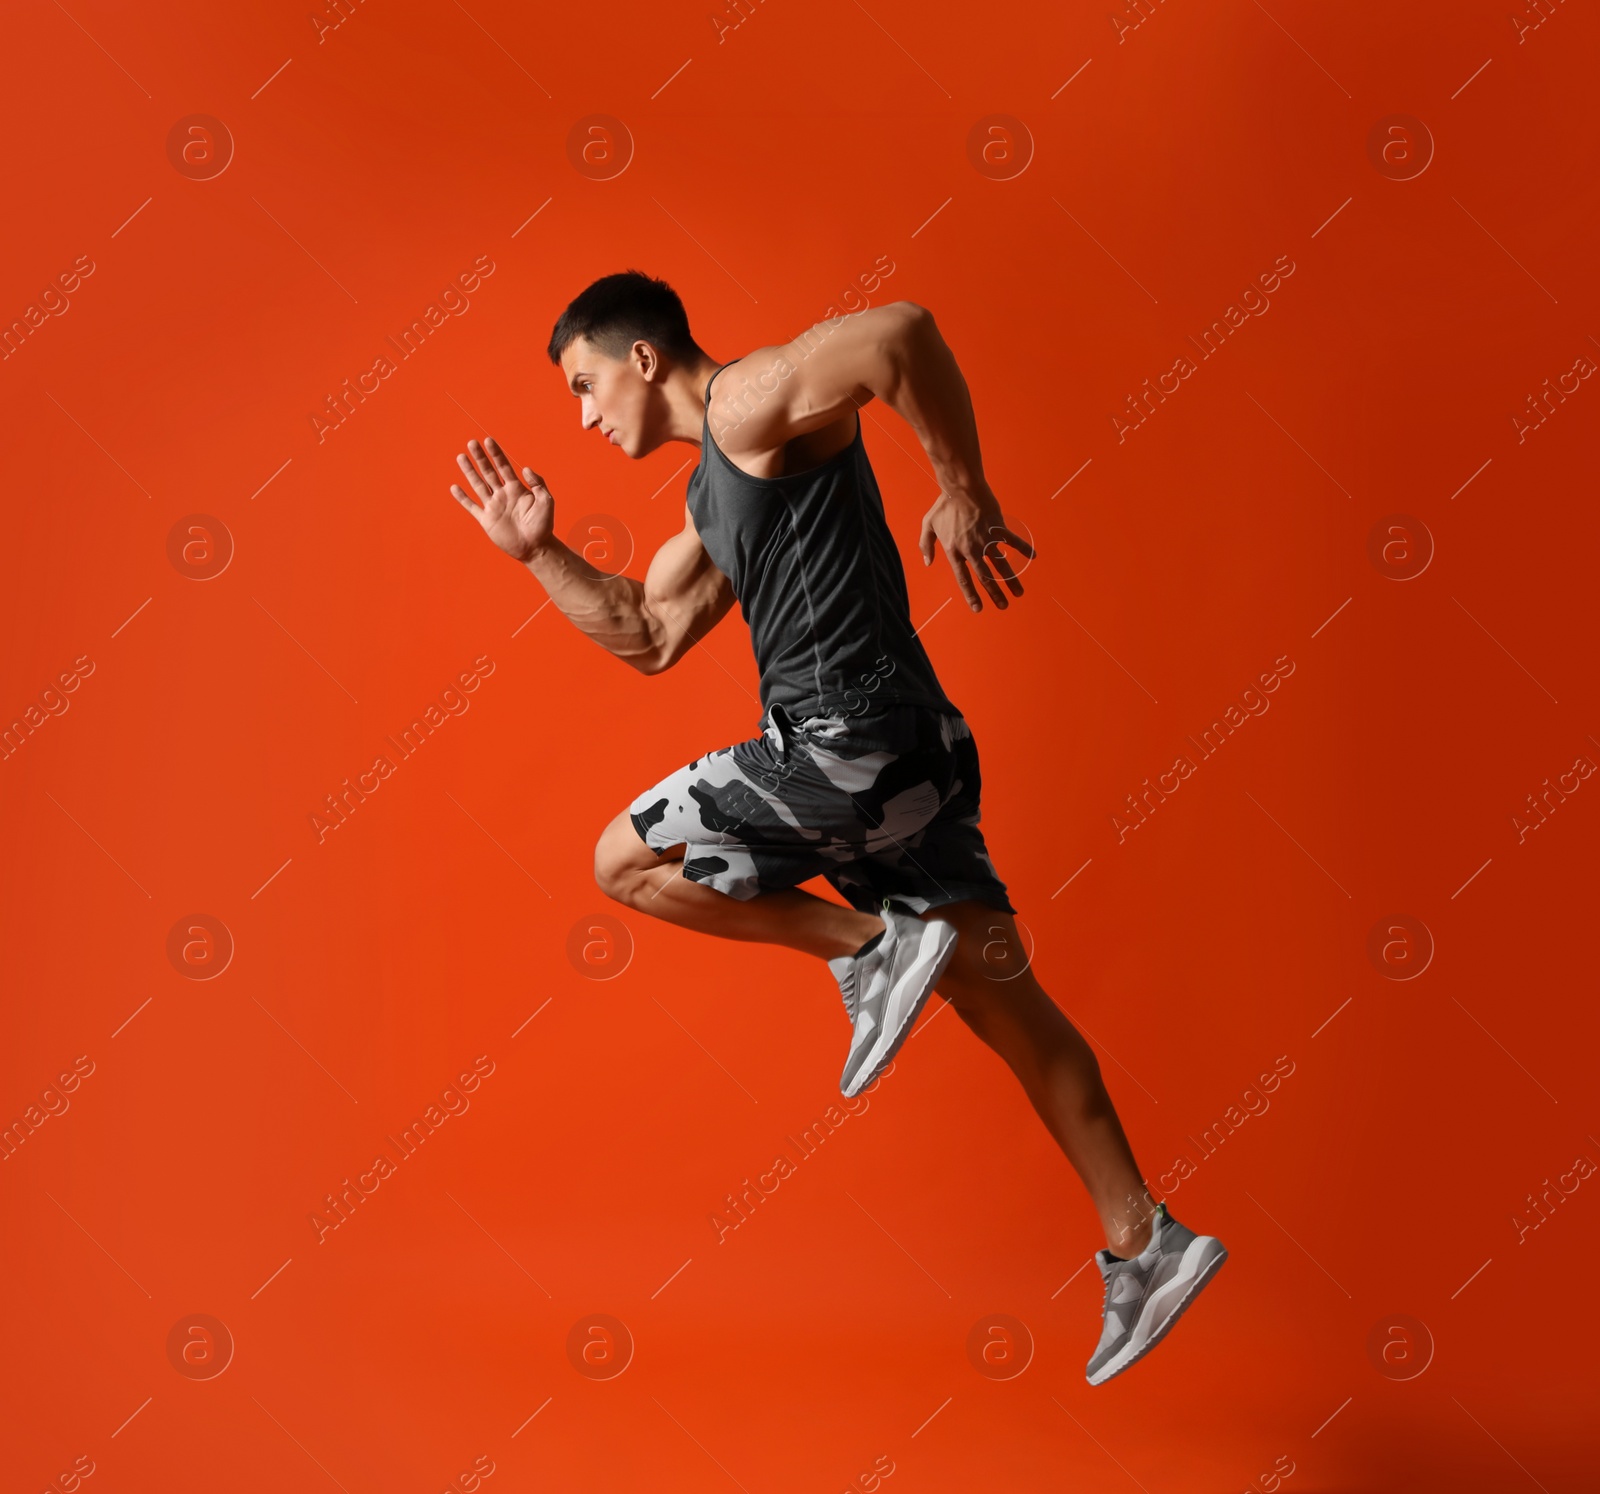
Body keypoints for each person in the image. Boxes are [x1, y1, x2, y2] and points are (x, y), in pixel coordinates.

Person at [447, 269, 1226, 1383]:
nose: (581, 415)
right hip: (912, 764)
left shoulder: (746, 400)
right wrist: (537, 555)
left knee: (621, 860)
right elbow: (646, 632)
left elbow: (899, 332)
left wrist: (961, 486)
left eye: (584, 383)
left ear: (644, 359)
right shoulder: (714, 494)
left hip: (845, 745)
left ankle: (869, 953)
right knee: (1008, 1008)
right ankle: (1147, 1240)